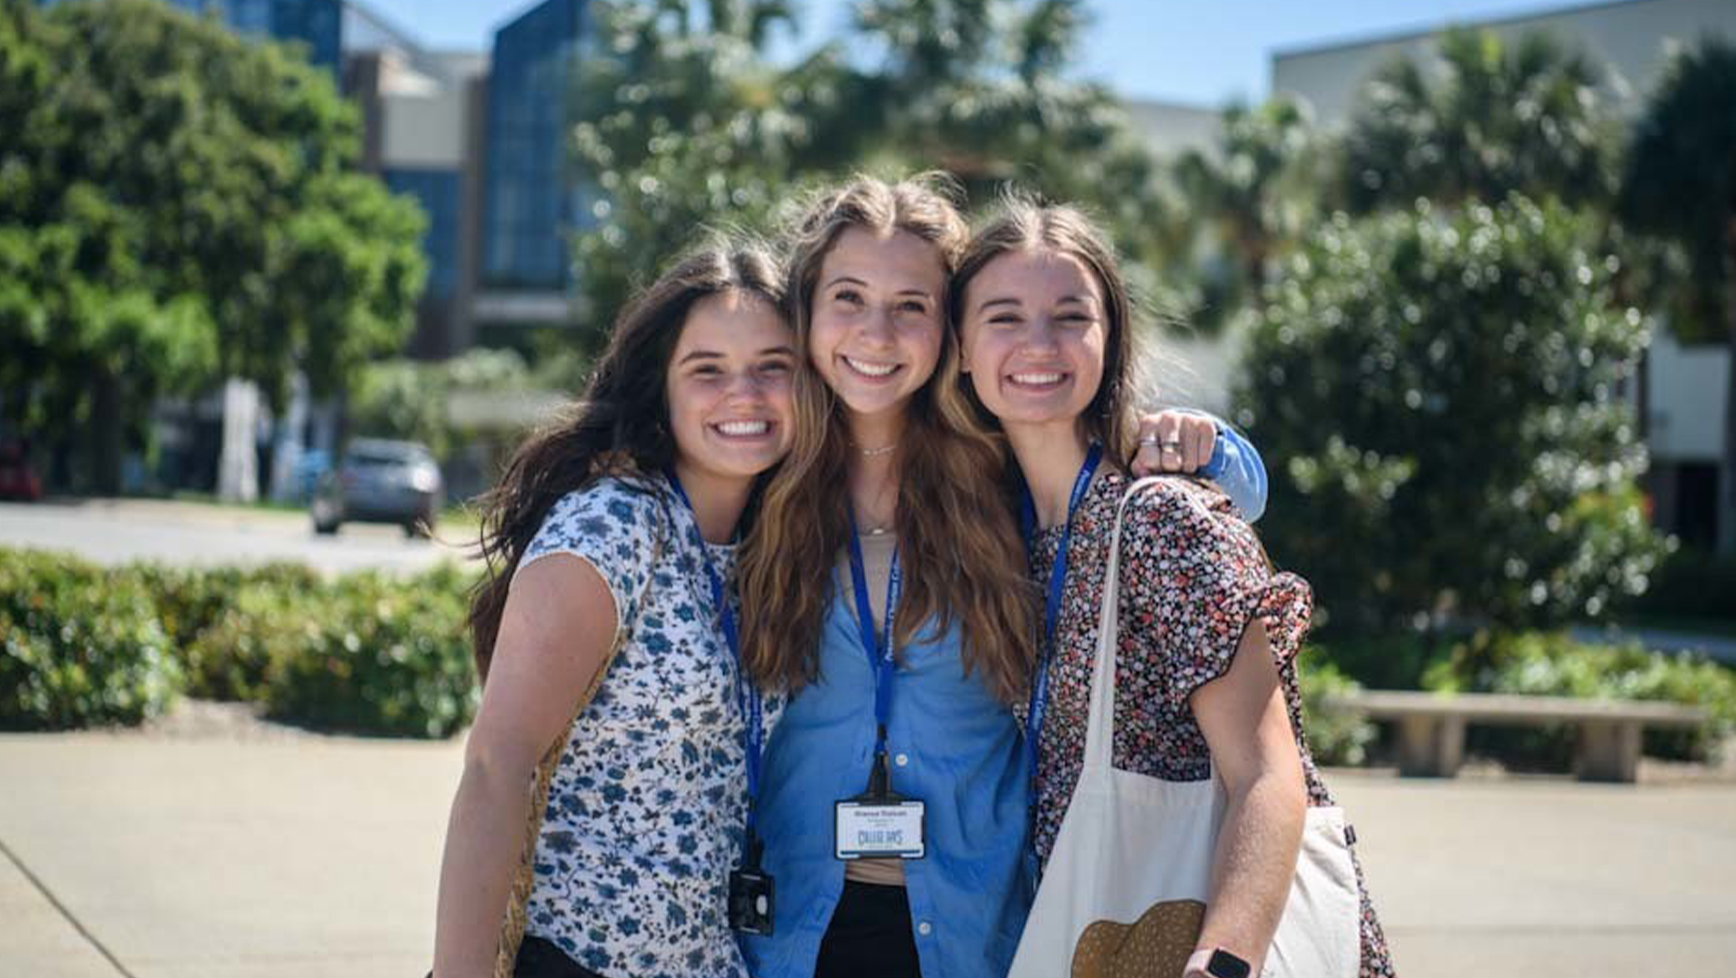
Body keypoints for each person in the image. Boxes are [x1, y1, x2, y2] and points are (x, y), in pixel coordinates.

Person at [734, 175, 1270, 978]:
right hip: (792, 926)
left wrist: (1204, 442)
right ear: (806, 309)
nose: (876, 334)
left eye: (911, 305)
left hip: (974, 929)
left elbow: (1225, 493)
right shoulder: (760, 478)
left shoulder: (998, 475)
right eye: (848, 297)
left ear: (948, 332)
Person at [952, 200, 1395, 978]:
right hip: (1094, 930)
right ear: (958, 346)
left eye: (1069, 316)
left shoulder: (1164, 519)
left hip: (1215, 943)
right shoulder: (1000, 538)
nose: (1038, 344)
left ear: (1110, 338)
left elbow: (1266, 774)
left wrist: (1223, 962)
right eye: (1003, 316)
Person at [430, 237, 797, 978]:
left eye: (772, 368)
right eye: (708, 371)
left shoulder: (769, 547)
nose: (744, 394)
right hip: (576, 961)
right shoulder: (611, 527)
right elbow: (497, 767)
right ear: (660, 387)